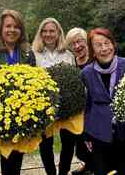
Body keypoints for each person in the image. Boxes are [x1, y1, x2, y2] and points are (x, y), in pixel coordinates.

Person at [0, 9, 35, 175]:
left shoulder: (27, 51)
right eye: (8, 26)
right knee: (6, 155)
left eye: (16, 26)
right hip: (1, 115)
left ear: (21, 30)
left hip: (23, 112)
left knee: (19, 154)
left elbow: (34, 80)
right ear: (1, 29)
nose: (12, 30)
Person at [81, 28, 125, 175]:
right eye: (98, 45)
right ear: (92, 50)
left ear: (113, 44)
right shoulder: (86, 72)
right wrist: (86, 134)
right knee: (101, 171)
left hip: (124, 132)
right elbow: (87, 105)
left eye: (107, 43)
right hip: (98, 133)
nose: (104, 48)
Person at [32, 18, 74, 175]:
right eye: (45, 31)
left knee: (69, 142)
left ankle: (63, 171)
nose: (48, 34)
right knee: (45, 144)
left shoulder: (68, 55)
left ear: (58, 33)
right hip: (44, 106)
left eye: (52, 31)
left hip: (67, 105)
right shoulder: (33, 54)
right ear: (40, 33)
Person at [58, 27, 93, 175]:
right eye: (73, 43)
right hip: (71, 114)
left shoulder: (94, 59)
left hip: (89, 113)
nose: (77, 46)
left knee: (88, 145)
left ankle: (91, 167)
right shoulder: (70, 62)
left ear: (86, 42)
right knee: (67, 146)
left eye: (80, 41)